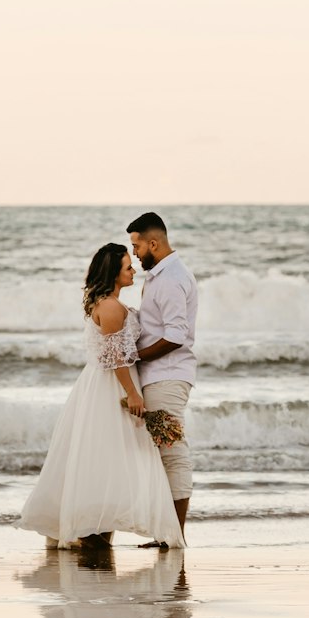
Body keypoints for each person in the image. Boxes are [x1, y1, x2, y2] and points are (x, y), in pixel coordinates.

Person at [18, 242, 184, 549]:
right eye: (127, 267)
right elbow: (115, 357)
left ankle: (99, 527)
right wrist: (133, 394)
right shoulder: (108, 306)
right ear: (113, 274)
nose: (133, 270)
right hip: (110, 387)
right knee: (104, 454)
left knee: (106, 456)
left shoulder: (113, 303)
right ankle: (90, 529)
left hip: (109, 383)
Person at [126, 212, 198, 539]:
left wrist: (135, 355)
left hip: (167, 377)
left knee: (172, 452)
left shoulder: (170, 279)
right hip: (158, 376)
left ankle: (175, 535)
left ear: (153, 243)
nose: (135, 253)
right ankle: (166, 533)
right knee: (162, 453)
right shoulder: (159, 276)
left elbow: (175, 335)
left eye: (137, 246)